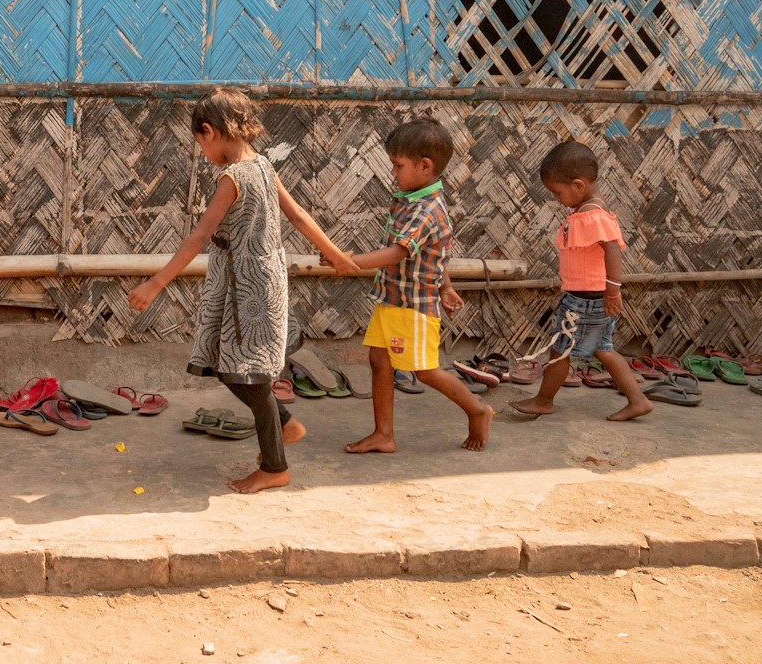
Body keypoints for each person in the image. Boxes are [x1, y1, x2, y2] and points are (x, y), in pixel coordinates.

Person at [128, 90, 354, 493]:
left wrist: (155, 283)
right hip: (261, 282)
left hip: (245, 292)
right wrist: (333, 253)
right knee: (228, 364)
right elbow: (299, 216)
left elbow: (198, 237)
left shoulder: (231, 178)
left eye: (201, 143)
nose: (203, 151)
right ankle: (285, 424)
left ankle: (275, 466)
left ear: (210, 132)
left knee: (250, 377)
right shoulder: (264, 166)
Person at [326, 118, 494, 454]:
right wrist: (446, 286)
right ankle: (383, 434)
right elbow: (436, 252)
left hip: (414, 306)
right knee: (379, 361)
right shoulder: (408, 197)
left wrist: (351, 261)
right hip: (393, 299)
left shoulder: (427, 209)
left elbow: (399, 251)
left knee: (424, 370)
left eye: (397, 165)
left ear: (425, 166)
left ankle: (477, 409)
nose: (393, 172)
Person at [508, 141, 654, 423]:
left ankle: (544, 400)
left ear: (578, 185)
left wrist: (613, 291)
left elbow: (612, 249)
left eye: (557, 192)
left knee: (562, 350)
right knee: (601, 349)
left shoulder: (591, 216)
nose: (556, 198)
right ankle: (637, 400)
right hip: (586, 297)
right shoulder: (588, 212)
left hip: (587, 300)